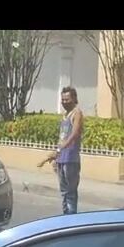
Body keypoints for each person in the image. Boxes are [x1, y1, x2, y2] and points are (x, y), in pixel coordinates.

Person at [38, 86, 84, 214]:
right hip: (61, 159)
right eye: (63, 100)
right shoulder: (64, 116)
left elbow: (74, 134)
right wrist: (56, 156)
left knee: (70, 193)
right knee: (64, 192)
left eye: (67, 99)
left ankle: (71, 218)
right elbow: (62, 138)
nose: (64, 102)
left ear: (74, 99)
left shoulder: (77, 113)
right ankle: (65, 216)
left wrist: (60, 149)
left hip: (71, 159)